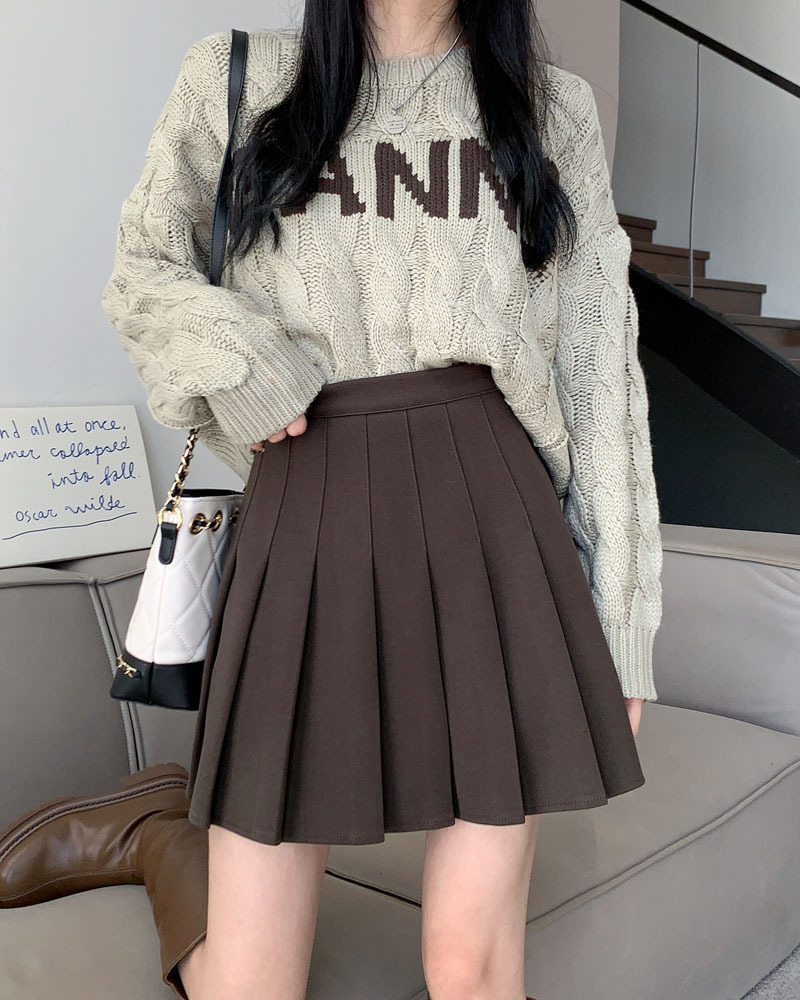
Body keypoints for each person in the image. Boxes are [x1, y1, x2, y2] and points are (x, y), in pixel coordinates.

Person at [0, 2, 663, 998]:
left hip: (493, 518)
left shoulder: (549, 109)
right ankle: (157, 833)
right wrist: (246, 363)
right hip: (306, 507)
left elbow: (598, 367)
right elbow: (142, 271)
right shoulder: (236, 82)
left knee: (471, 970)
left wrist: (622, 618)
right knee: (251, 986)